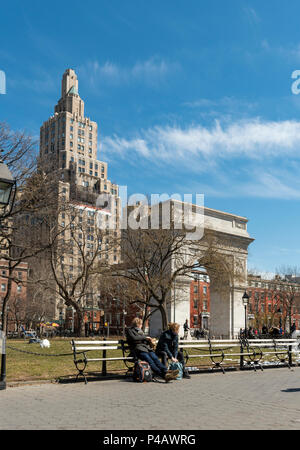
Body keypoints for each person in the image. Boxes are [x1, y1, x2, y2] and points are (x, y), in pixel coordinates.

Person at [125, 317, 179, 382]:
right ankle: (164, 375)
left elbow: (142, 339)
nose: (141, 326)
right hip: (138, 350)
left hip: (147, 349)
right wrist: (145, 337)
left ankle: (166, 371)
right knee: (150, 361)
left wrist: (149, 340)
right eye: (141, 324)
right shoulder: (130, 330)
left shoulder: (140, 331)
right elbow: (134, 338)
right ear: (137, 324)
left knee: (156, 359)